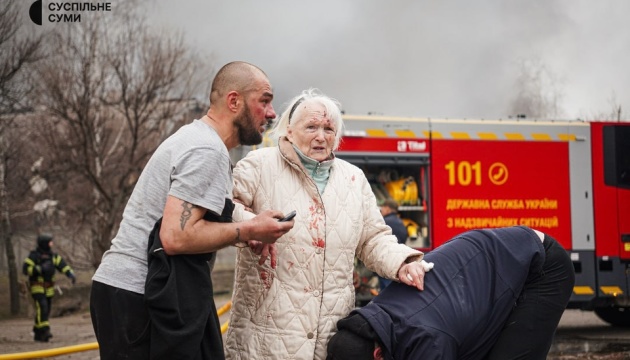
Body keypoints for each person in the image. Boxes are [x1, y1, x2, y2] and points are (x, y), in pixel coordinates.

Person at [90, 61, 295, 360]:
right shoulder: (206, 150)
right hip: (140, 296)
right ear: (234, 101)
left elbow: (197, 217)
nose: (272, 112)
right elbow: (175, 236)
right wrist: (251, 230)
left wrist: (247, 228)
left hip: (125, 291)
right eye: (264, 100)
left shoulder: (196, 139)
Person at [224, 88, 432, 360]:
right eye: (311, 127)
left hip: (330, 338)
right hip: (266, 336)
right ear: (288, 130)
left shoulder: (353, 179)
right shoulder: (259, 165)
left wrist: (403, 263)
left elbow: (374, 239)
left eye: (328, 129)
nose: (321, 136)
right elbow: (223, 208)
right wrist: (250, 226)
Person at [326, 226, 576, 360]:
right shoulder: (372, 321)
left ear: (377, 354)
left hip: (540, 265)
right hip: (491, 261)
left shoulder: (427, 341)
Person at [23, 233, 76, 342]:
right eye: (50, 242)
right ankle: (44, 331)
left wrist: (70, 274)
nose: (51, 244)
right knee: (42, 307)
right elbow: (25, 270)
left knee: (46, 310)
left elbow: (62, 265)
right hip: (37, 286)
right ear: (44, 243)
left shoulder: (53, 256)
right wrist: (39, 269)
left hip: (49, 288)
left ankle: (37, 331)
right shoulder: (34, 256)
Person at [378, 199, 409, 290]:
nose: (381, 211)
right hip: (397, 262)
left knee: (386, 291)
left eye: (382, 208)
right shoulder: (400, 222)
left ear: (387, 208)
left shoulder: (384, 222)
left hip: (386, 262)